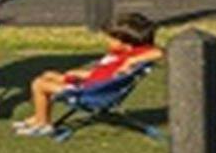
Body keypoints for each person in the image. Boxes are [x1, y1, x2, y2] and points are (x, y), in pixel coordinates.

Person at [13, 12, 161, 138]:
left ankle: (44, 124)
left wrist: (131, 60)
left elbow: (159, 52)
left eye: (111, 38)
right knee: (47, 76)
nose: (107, 41)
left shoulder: (132, 55)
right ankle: (38, 117)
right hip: (91, 83)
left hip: (89, 92)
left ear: (126, 44)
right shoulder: (124, 53)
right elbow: (103, 74)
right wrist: (82, 74)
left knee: (40, 84)